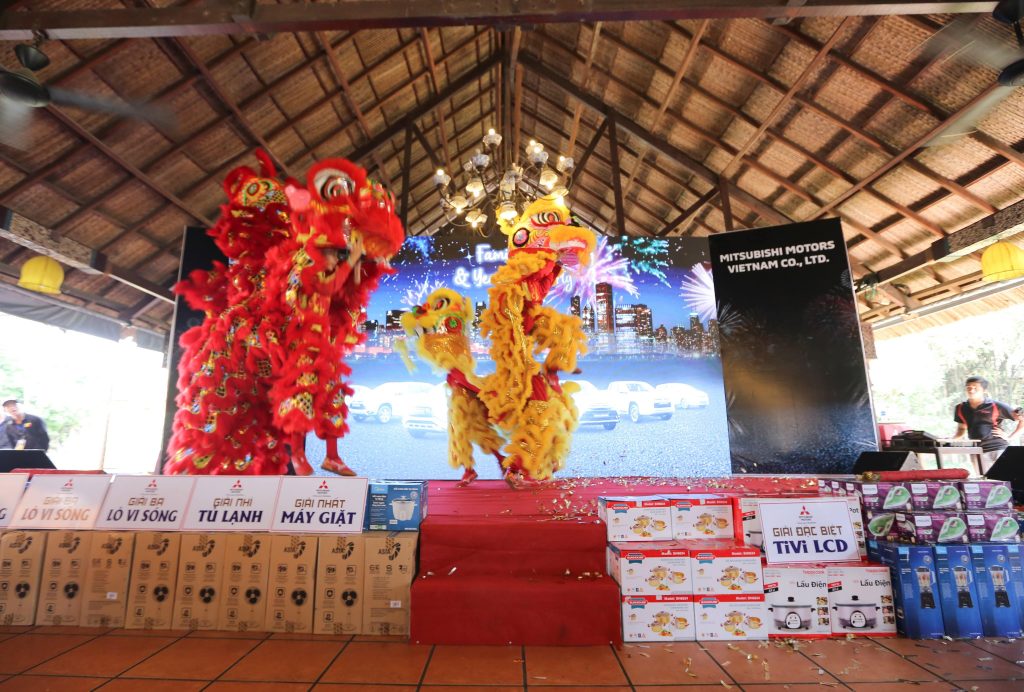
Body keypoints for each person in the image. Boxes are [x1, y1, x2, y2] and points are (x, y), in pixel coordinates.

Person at [952, 376, 1023, 473]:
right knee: (984, 480)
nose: (971, 390)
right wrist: (950, 440)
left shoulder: (995, 405)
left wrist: (1010, 437)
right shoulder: (960, 408)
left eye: (975, 388)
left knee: (1004, 479)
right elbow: (961, 429)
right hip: (977, 451)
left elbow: (1022, 419)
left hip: (999, 449)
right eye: (969, 387)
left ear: (984, 390)